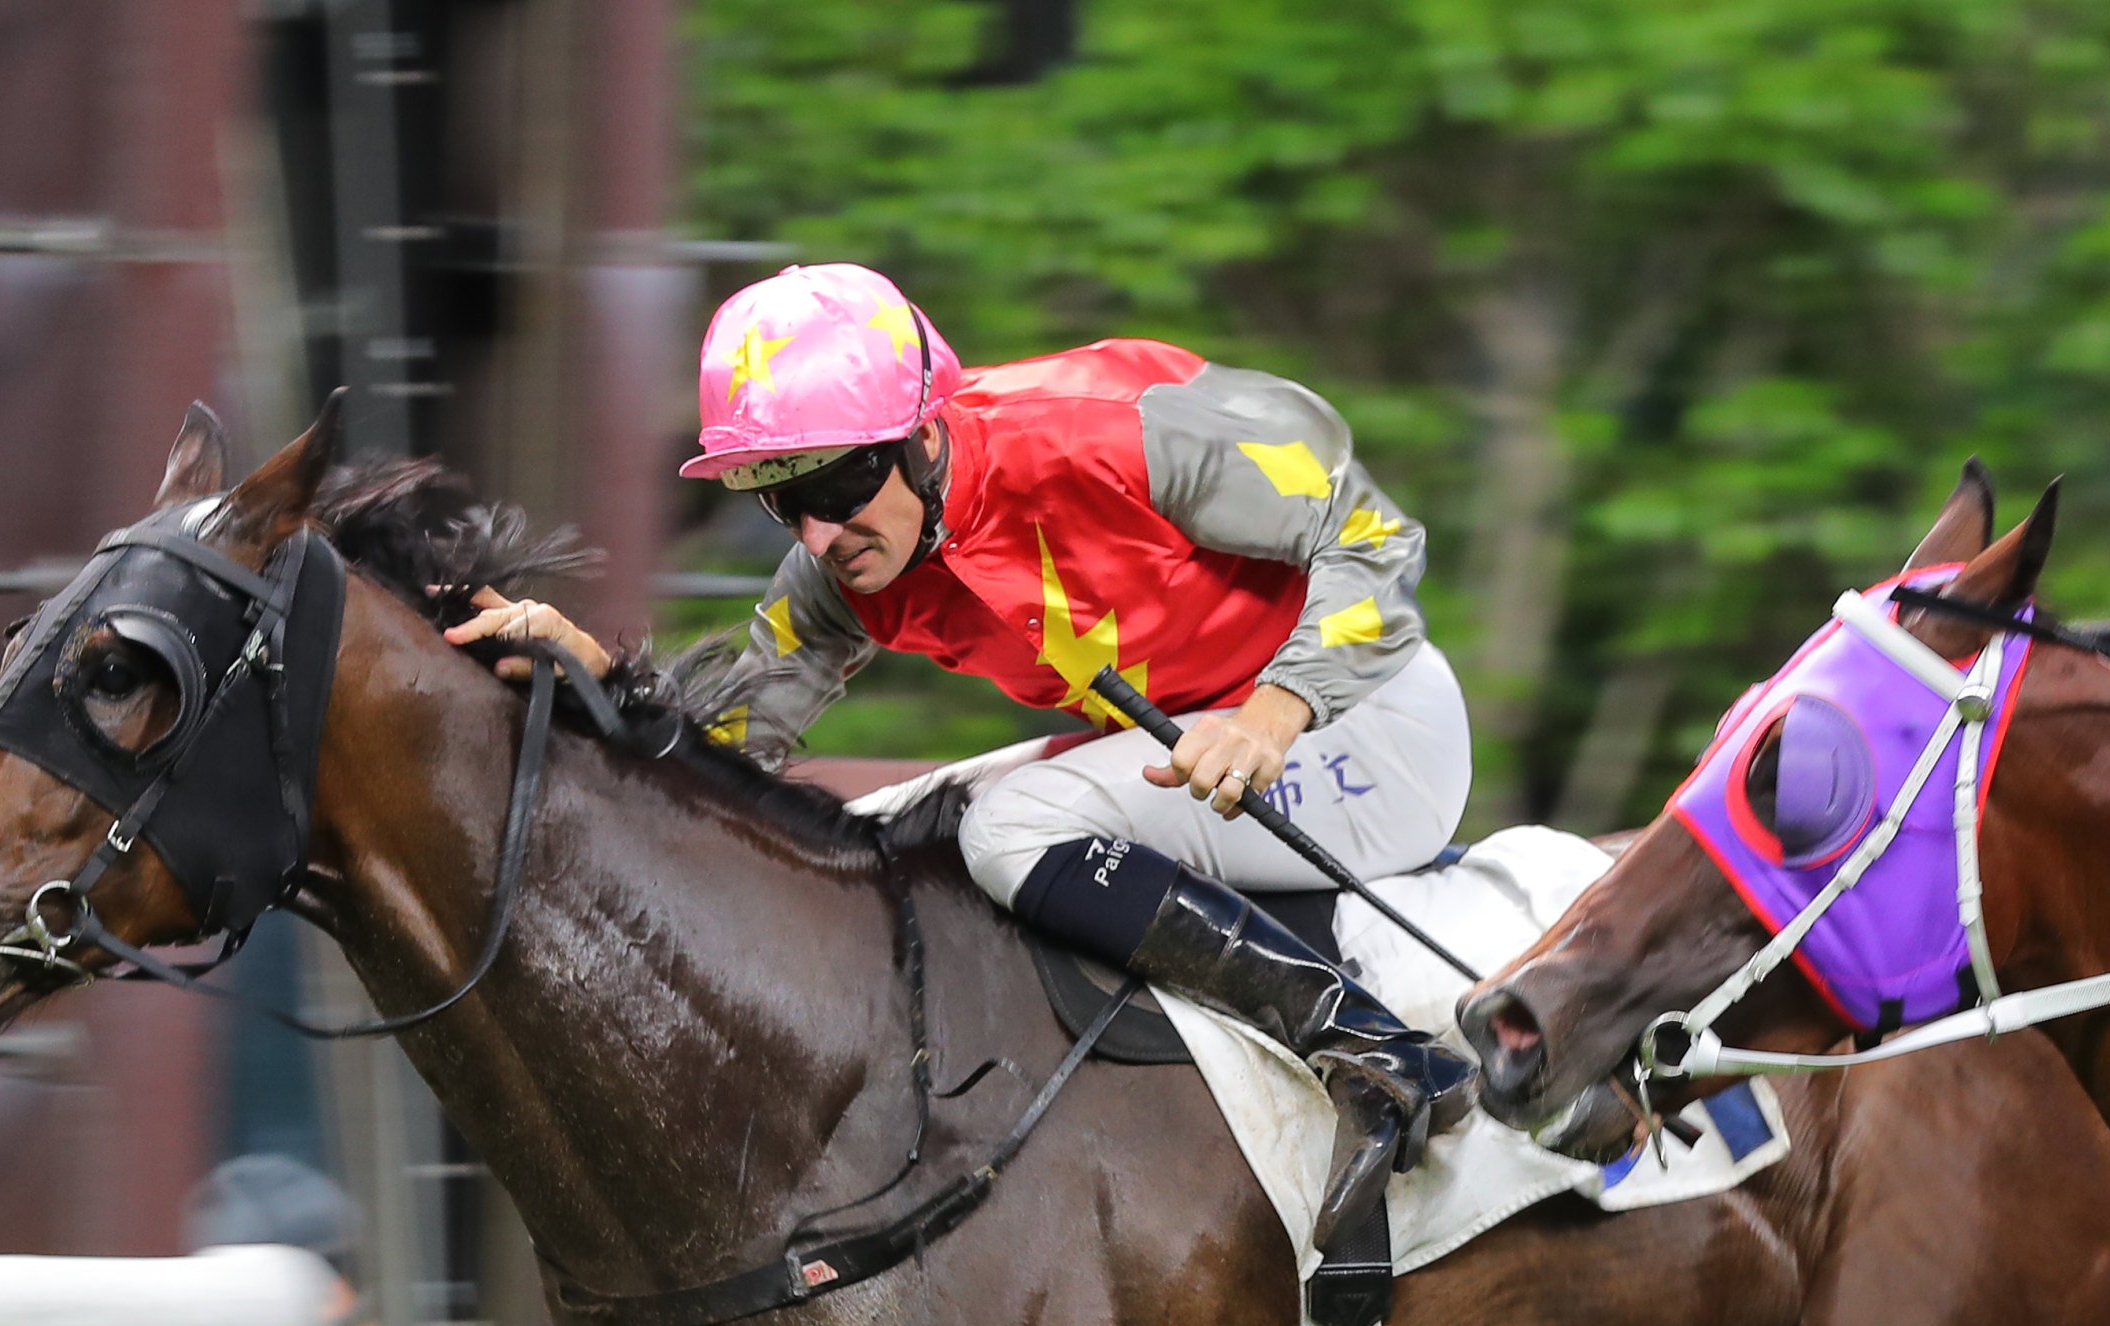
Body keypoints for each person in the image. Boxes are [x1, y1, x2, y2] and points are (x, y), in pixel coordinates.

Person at [451, 261, 1474, 1203]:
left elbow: (1374, 531)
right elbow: (729, 750)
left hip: (1366, 733)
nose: (817, 534)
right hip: (1199, 751)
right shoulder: (846, 570)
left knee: (1006, 832)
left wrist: (1274, 711)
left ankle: (1379, 1051)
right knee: (899, 828)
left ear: (925, 436)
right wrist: (599, 680)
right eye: (779, 500)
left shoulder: (1119, 429)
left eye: (834, 485)